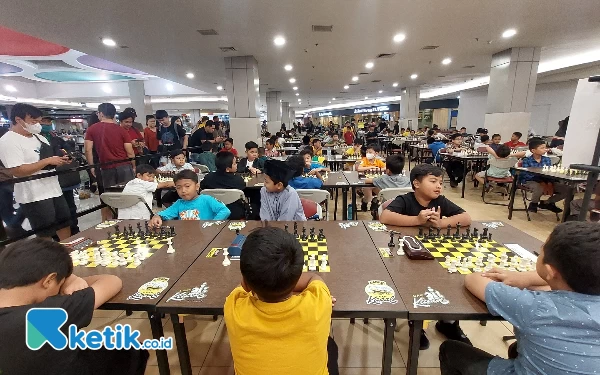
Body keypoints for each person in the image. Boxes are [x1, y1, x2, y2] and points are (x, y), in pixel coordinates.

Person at [441, 221, 600, 374]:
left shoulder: (536, 306)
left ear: (550, 272)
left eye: (543, 247)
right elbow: (554, 289)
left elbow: (473, 279)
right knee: (515, 348)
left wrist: (526, 279)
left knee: (450, 350)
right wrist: (528, 280)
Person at [0, 238, 149, 375]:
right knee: (131, 344)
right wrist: (72, 279)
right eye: (59, 283)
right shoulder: (49, 312)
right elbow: (112, 281)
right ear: (49, 280)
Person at [380, 164, 472, 349]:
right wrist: (417, 220)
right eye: (433, 181)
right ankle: (418, 324)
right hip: (405, 257)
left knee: (452, 280)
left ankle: (449, 323)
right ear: (416, 183)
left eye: (440, 182)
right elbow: (385, 217)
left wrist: (442, 223)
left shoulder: (441, 202)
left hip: (435, 252)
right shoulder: (405, 200)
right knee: (415, 284)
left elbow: (466, 217)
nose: (439, 186)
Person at [225, 227, 337, 375]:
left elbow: (242, 287)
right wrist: (289, 280)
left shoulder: (233, 306)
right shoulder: (319, 301)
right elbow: (313, 278)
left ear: (246, 282)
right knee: (332, 347)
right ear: (297, 276)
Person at [0, 103, 73, 239]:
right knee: (45, 230)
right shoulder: (8, 141)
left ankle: (69, 251)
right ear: (18, 120)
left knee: (64, 223)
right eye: (33, 121)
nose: (37, 125)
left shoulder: (39, 137)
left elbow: (48, 158)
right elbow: (17, 170)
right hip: (33, 194)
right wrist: (47, 161)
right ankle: (49, 257)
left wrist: (60, 160)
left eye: (39, 121)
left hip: (54, 188)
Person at [84, 103, 135, 200]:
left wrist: (91, 166)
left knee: (110, 198)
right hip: (124, 166)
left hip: (106, 168)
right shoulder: (122, 130)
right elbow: (130, 152)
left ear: (101, 114)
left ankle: (111, 215)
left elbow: (87, 150)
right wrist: (133, 166)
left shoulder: (91, 129)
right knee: (128, 196)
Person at [149, 170, 229, 226]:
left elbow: (225, 210)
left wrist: (213, 224)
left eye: (187, 186)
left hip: (206, 237)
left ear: (197, 186)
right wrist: (157, 217)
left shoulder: (206, 199)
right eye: (179, 187)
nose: (183, 190)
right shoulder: (179, 203)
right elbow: (164, 214)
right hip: (186, 236)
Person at [520, 138, 569, 213]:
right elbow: (526, 175)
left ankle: (548, 202)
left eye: (545, 147)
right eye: (542, 148)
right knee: (539, 187)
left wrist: (549, 182)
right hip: (530, 181)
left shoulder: (547, 160)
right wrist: (540, 181)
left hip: (546, 180)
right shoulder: (526, 160)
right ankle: (533, 203)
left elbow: (548, 172)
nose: (545, 149)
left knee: (567, 190)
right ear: (533, 150)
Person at [200, 151, 247, 219]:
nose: (237, 164)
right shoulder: (237, 180)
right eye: (234, 163)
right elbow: (244, 188)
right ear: (227, 169)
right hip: (234, 213)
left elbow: (202, 188)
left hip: (213, 211)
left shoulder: (208, 178)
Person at [356, 144, 386, 212]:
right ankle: (364, 202)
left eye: (370, 152)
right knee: (368, 197)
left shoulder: (378, 161)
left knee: (381, 194)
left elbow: (385, 168)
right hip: (366, 182)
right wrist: (371, 167)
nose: (368, 154)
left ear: (376, 153)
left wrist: (377, 169)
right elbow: (359, 168)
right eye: (367, 152)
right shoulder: (364, 160)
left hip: (376, 182)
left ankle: (374, 203)